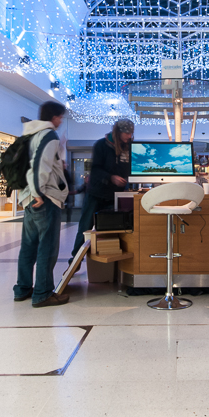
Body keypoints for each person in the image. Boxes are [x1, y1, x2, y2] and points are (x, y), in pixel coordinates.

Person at [13, 101, 70, 308]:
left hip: (28, 197)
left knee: (28, 246)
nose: (61, 121)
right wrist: (38, 192)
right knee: (47, 246)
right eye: (60, 117)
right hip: (44, 198)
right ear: (53, 117)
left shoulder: (31, 134)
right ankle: (43, 293)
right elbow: (40, 165)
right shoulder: (48, 135)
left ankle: (23, 288)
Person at [70, 119, 134, 257]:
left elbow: (132, 168)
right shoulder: (101, 145)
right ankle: (74, 262)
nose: (129, 136)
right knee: (85, 227)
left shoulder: (129, 147)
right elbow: (96, 169)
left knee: (113, 229)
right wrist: (111, 178)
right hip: (96, 194)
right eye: (126, 133)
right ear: (118, 132)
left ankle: (109, 265)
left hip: (115, 195)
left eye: (131, 133)